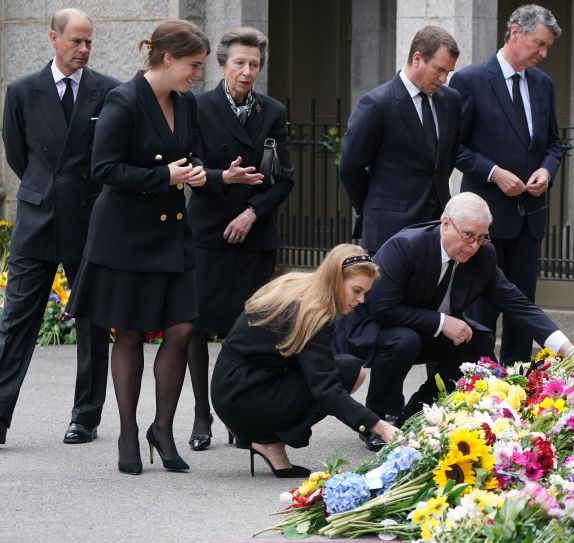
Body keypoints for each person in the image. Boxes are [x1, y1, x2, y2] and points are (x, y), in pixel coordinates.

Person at [66, 19, 210, 475]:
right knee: (127, 334)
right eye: (193, 65)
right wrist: (163, 177)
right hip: (125, 237)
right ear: (168, 58)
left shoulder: (184, 105)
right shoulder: (123, 100)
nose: (197, 74)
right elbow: (103, 167)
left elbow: (189, 155)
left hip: (171, 235)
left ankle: (162, 428)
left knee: (183, 328)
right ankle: (128, 433)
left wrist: (203, 173)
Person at [342, 192, 574, 426]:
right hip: (378, 330)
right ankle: (379, 416)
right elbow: (383, 310)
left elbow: (519, 305)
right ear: (446, 224)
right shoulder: (406, 246)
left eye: (482, 238)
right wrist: (441, 321)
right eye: (468, 235)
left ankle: (419, 412)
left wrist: (567, 350)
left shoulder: (484, 256)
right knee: (405, 339)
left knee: (480, 340)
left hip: (423, 331)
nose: (473, 246)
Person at [0, 8, 118, 447]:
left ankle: (85, 416)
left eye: (89, 41)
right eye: (76, 41)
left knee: (92, 321)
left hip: (89, 221)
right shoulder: (23, 91)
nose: (84, 49)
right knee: (16, 321)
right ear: (54, 38)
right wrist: (43, 190)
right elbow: (18, 154)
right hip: (38, 219)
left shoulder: (109, 91)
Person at [186, 27, 294, 452]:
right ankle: (201, 415)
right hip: (208, 234)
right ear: (222, 65)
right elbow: (190, 165)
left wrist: (252, 212)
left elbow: (284, 179)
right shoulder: (197, 107)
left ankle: (239, 415)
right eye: (240, 63)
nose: (248, 71)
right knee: (197, 329)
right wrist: (222, 177)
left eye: (255, 64)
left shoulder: (273, 112)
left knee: (248, 331)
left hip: (255, 236)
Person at [210, 244, 401, 477]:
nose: (361, 300)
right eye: (357, 290)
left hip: (234, 385)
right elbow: (327, 390)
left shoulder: (300, 285)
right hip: (241, 396)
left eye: (365, 293)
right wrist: (381, 427)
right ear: (334, 279)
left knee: (350, 368)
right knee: (347, 373)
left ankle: (268, 440)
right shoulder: (311, 313)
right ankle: (265, 439)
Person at [449, 4, 565, 367]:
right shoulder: (470, 79)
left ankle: (518, 379)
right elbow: (454, 148)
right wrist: (494, 172)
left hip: (530, 217)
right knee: (482, 306)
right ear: (515, 32)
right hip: (484, 219)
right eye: (538, 44)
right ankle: (479, 382)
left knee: (522, 307)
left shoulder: (543, 84)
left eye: (547, 47)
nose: (543, 54)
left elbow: (554, 144)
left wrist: (547, 171)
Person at [339, 26, 461, 253]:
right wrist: (376, 204)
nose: (444, 79)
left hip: (437, 228)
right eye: (439, 70)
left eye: (449, 72)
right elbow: (349, 166)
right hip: (389, 230)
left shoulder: (451, 101)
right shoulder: (377, 104)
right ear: (417, 58)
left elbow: (447, 158)